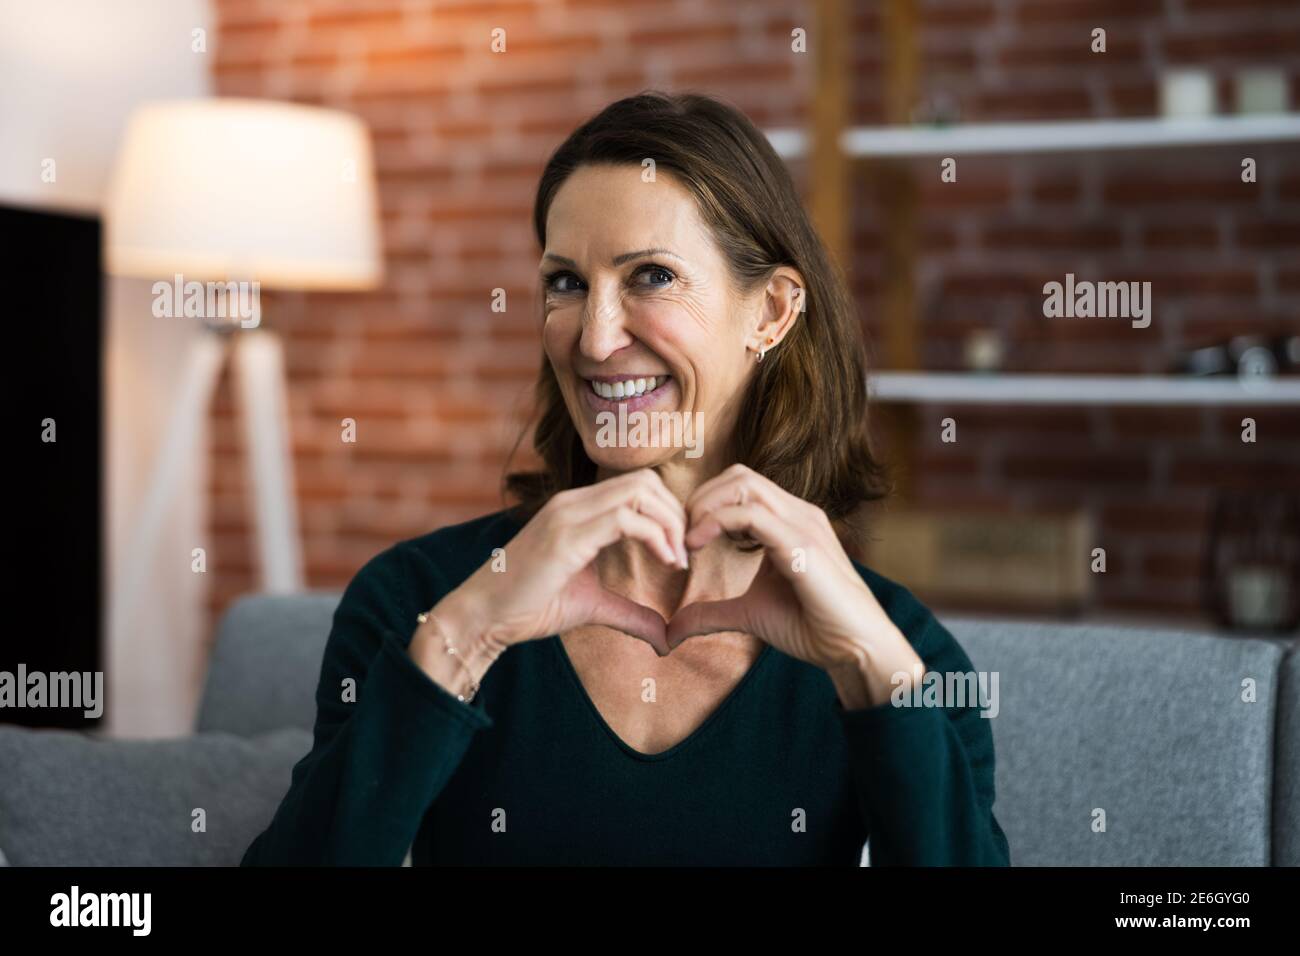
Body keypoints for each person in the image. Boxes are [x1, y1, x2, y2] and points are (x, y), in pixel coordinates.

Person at [241, 90, 1010, 866]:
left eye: (650, 276)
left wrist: (870, 672)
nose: (597, 339)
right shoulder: (418, 599)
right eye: (567, 284)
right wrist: (463, 639)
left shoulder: (901, 649)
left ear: (771, 311)